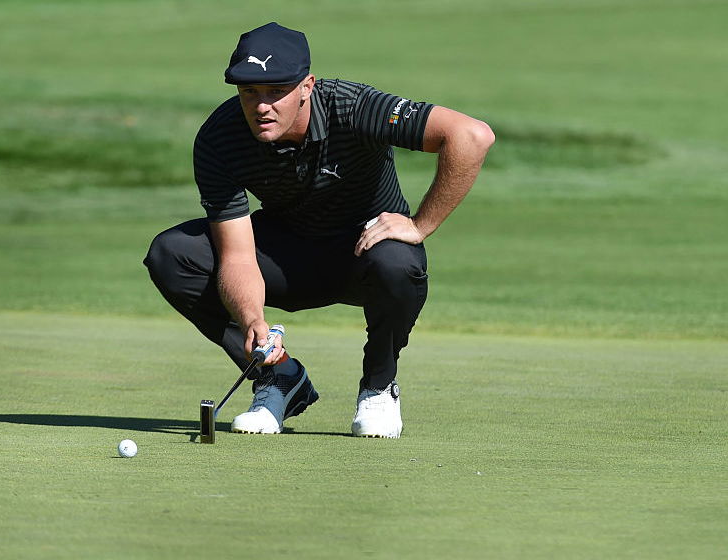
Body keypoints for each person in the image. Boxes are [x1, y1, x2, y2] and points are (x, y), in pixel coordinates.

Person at [144, 22, 493, 438]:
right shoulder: (221, 137)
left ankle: (378, 389)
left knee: (398, 261)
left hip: (366, 253)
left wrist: (420, 225)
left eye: (276, 92)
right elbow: (237, 254)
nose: (261, 106)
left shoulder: (355, 106)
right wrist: (252, 318)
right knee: (172, 254)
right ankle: (279, 378)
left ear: (306, 86)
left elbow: (471, 136)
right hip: (287, 256)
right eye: (249, 92)